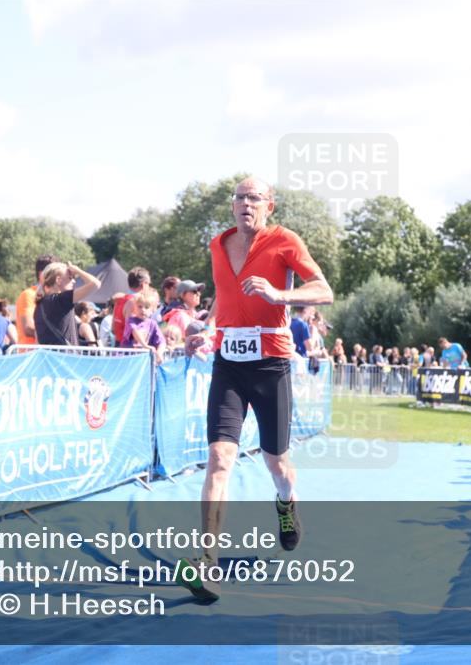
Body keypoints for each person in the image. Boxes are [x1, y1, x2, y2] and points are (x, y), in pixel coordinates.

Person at [177, 176, 333, 603]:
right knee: (219, 456)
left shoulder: (285, 241)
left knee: (276, 461)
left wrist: (280, 294)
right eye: (240, 197)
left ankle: (287, 503)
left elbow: (324, 290)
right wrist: (205, 329)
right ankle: (207, 563)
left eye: (255, 198)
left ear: (270, 206)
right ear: (232, 205)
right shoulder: (218, 244)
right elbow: (225, 298)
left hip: (271, 365)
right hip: (229, 363)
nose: (246, 204)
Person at [34, 262, 101, 345]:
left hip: (47, 356)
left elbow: (37, 339)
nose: (74, 281)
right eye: (70, 278)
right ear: (58, 280)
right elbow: (96, 284)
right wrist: (77, 270)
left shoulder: (39, 305)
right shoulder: (60, 300)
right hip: (65, 357)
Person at [15, 255, 56, 346]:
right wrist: (56, 336)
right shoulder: (28, 294)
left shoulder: (55, 297)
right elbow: (28, 328)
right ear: (42, 274)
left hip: (47, 355)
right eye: (55, 273)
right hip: (31, 356)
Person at [113, 267, 153, 345]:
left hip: (118, 345)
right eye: (149, 284)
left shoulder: (119, 300)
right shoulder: (135, 302)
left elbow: (113, 329)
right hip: (131, 349)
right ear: (144, 284)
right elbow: (132, 330)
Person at [121, 291, 164, 361]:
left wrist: (159, 352)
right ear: (134, 308)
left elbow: (161, 341)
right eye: (140, 307)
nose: (143, 310)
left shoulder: (153, 324)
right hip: (127, 358)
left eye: (146, 307)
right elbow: (135, 331)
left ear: (152, 310)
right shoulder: (131, 320)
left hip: (143, 360)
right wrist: (145, 345)